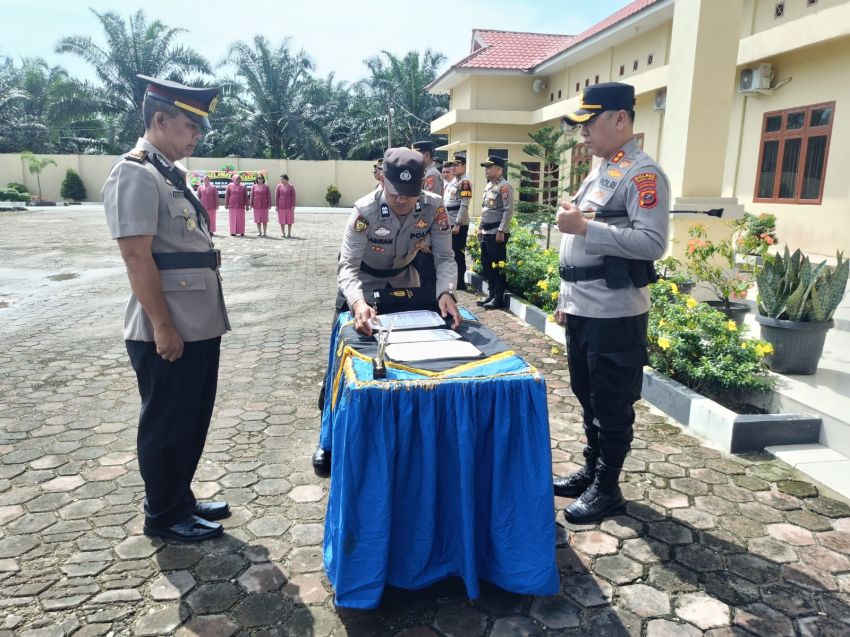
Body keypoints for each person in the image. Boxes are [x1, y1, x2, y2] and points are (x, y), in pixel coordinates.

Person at [101, 74, 230, 542]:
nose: (197, 135)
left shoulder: (166, 172)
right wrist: (162, 326)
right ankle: (163, 514)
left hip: (196, 321)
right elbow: (136, 256)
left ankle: (180, 497)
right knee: (166, 423)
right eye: (190, 126)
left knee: (191, 418)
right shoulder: (134, 172)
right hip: (168, 326)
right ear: (159, 119)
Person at [552, 82, 669, 524]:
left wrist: (584, 228)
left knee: (611, 403)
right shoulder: (604, 169)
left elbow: (652, 242)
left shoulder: (643, 174)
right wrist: (567, 298)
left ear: (620, 119)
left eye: (590, 123)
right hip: (585, 307)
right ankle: (591, 470)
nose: (583, 133)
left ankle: (608, 487)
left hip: (615, 314)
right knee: (588, 396)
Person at [312, 147, 461, 476]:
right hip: (362, 282)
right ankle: (328, 437)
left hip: (403, 277)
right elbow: (347, 266)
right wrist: (357, 302)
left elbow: (445, 258)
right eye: (396, 194)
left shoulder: (434, 207)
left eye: (410, 194)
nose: (403, 202)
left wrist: (446, 292)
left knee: (400, 355)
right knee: (343, 355)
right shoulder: (364, 211)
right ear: (382, 179)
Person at [476, 156, 514, 309]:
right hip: (486, 231)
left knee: (498, 266)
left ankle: (498, 298)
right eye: (485, 167)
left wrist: (501, 230)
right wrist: (479, 227)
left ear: (499, 169)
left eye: (489, 167)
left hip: (496, 232)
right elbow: (485, 209)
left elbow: (508, 210)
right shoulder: (489, 186)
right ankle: (491, 294)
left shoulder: (505, 187)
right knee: (487, 265)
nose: (486, 170)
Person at [411, 140, 442, 288]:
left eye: (416, 154)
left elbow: (431, 209)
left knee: (426, 275)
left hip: (425, 235)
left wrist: (426, 238)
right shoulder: (423, 173)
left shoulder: (432, 175)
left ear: (427, 154)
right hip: (419, 232)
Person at [446, 153, 472, 291]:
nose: (454, 167)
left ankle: (460, 282)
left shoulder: (465, 182)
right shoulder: (454, 182)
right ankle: (454, 280)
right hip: (449, 221)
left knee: (457, 253)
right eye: (453, 165)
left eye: (456, 165)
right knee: (451, 253)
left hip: (458, 224)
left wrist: (457, 223)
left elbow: (464, 204)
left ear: (463, 165)